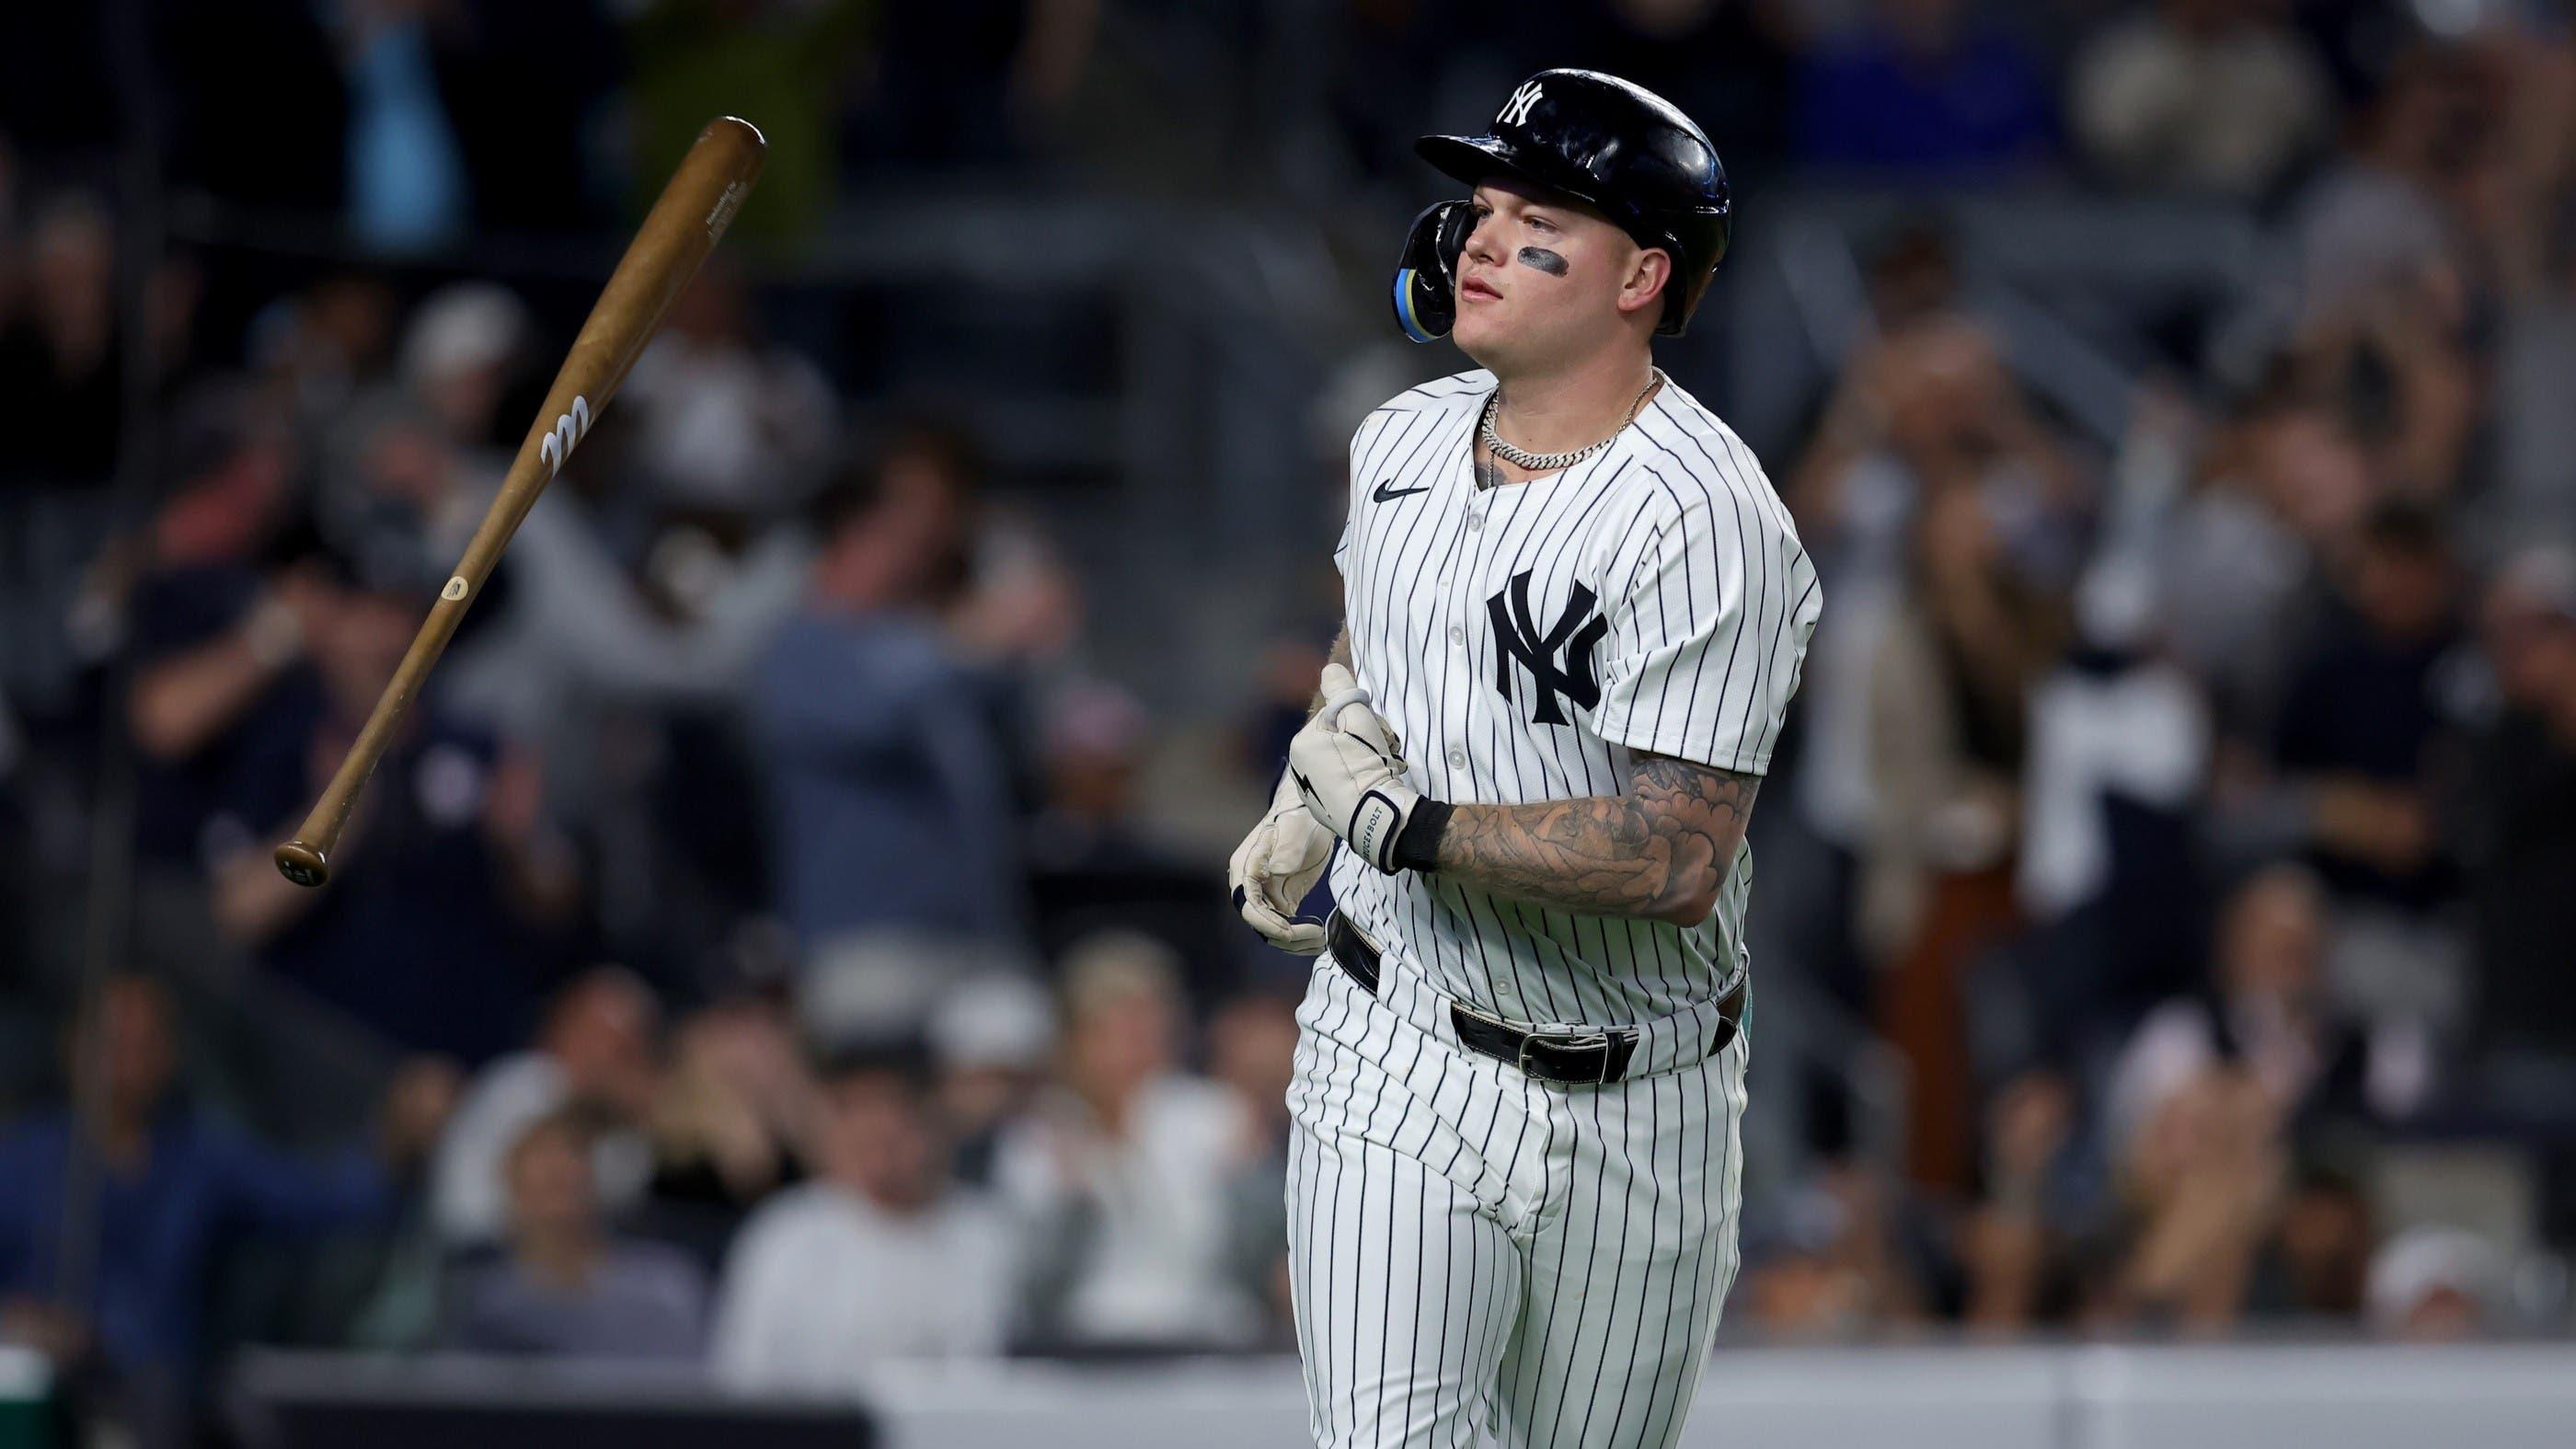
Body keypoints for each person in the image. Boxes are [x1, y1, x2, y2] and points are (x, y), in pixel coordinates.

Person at [1232, 71, 1820, 1447]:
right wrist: (1321, 776)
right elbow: (1382, 640)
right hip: (1396, 1039)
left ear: (1643, 276)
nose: (1482, 239)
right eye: (1483, 206)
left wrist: (1405, 822)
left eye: (1539, 215)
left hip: (1640, 1093)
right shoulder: (1402, 438)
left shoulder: (1707, 516)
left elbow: (1674, 855)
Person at [0, 976, 453, 1385]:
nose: (129, 1061)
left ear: (172, 1054)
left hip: (162, 1409)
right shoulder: (18, 1159)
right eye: (114, 1042)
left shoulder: (203, 1155)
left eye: (147, 1043)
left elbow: (318, 1200)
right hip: (38, 1399)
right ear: (71, 1047)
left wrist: (395, 1135)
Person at [709, 1049, 1013, 1389]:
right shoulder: (785, 1235)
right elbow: (742, 1379)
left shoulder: (989, 1233)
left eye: (896, 1119)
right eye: (857, 1118)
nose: (880, 1140)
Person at [439, 1110, 707, 1359]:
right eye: (547, 1182)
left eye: (573, 1158)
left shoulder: (666, 1289)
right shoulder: (475, 1303)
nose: (561, 1168)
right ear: (512, 1186)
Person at [429, 970, 662, 1245]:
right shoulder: (520, 1081)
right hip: (477, 1252)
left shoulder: (630, 1131)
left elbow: (612, 1211)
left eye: (620, 1046)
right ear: (560, 1028)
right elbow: (464, 1212)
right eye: (592, 1035)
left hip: (569, 1275)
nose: (600, 1053)